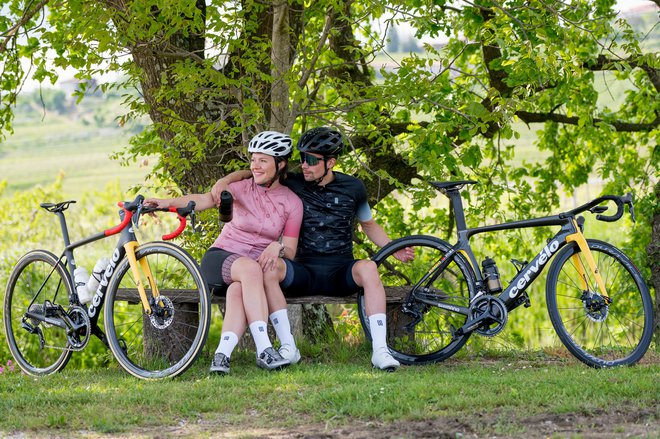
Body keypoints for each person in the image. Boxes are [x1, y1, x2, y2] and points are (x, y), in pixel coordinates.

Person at [212, 127, 414, 371]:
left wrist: (394, 248)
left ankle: (380, 351)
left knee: (369, 268)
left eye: (311, 160)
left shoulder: (354, 188)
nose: (304, 165)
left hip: (340, 270)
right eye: (302, 158)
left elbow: (368, 225)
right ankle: (288, 347)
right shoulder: (294, 181)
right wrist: (224, 181)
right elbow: (256, 169)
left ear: (331, 162)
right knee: (267, 268)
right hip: (303, 270)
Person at [145, 131, 304, 374]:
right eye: (253, 159)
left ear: (280, 164)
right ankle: (264, 349)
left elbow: (290, 251)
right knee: (251, 269)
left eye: (263, 160)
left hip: (248, 277)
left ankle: (221, 356)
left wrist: (277, 246)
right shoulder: (240, 188)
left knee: (239, 288)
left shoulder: (292, 202)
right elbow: (203, 199)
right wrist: (166, 203)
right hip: (220, 258)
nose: (255, 166)